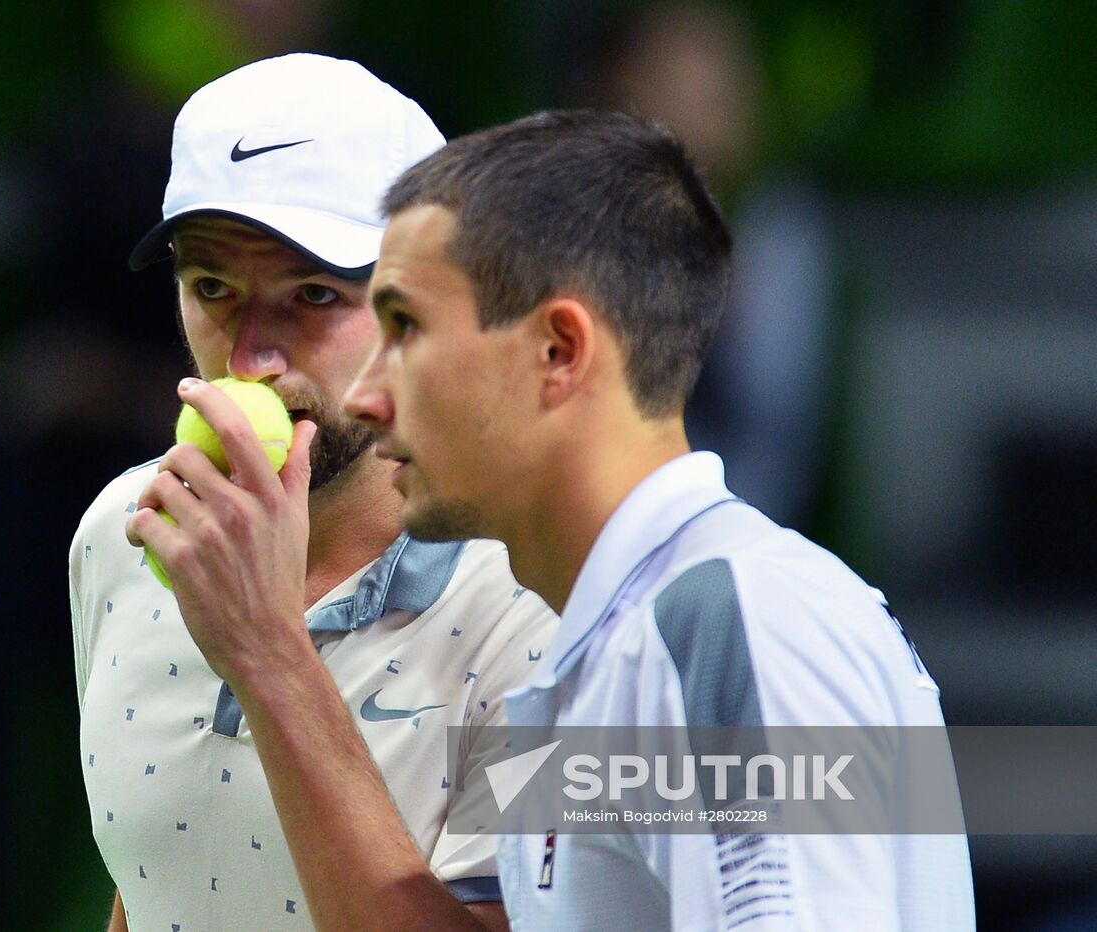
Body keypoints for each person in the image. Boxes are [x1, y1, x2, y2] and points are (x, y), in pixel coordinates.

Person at [342, 109, 975, 929]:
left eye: (404, 327)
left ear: (559, 351)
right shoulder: (607, 646)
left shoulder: (737, 616)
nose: (365, 393)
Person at [74, 54, 557, 931]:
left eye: (313, 294)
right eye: (212, 288)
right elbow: (156, 879)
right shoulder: (125, 530)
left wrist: (266, 655)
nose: (252, 358)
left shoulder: (544, 605)